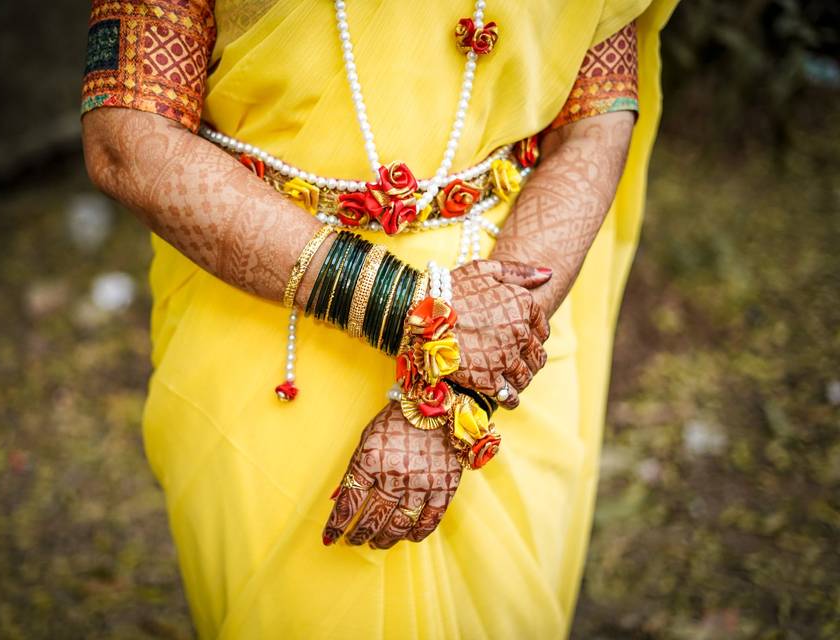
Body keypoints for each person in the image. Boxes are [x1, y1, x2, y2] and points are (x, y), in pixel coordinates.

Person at [80, 1, 677, 637]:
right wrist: (421, 319)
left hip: (516, 312)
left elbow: (594, 122)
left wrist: (459, 390)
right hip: (268, 318)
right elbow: (129, 141)